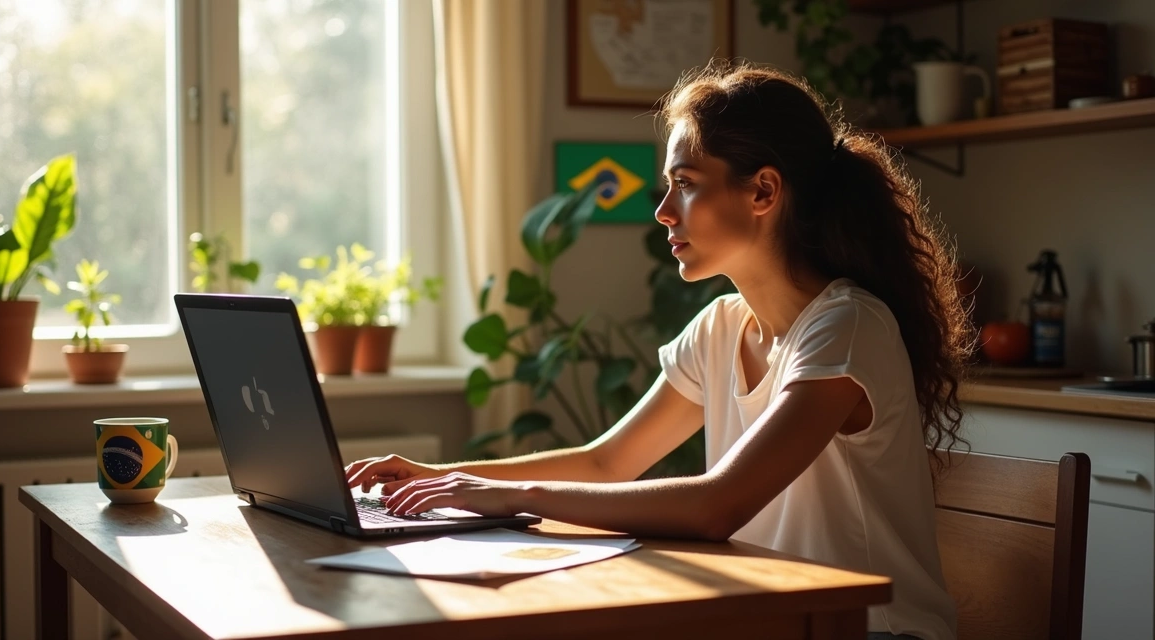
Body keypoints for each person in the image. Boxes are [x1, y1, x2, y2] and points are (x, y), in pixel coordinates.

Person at [346, 61, 971, 640]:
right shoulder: (722, 327)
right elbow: (606, 463)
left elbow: (715, 505)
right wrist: (449, 479)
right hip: (776, 618)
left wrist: (513, 497)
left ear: (763, 192)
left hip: (876, 629)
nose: (664, 211)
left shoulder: (847, 326)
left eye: (686, 184)